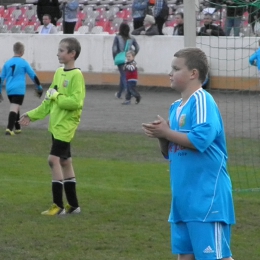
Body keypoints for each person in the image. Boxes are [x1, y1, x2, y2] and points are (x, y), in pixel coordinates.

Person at [142, 47, 235, 260]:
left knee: (216, 258)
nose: (170, 73)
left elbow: (201, 139)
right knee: (185, 258)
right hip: (183, 199)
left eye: (176, 68)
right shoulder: (176, 107)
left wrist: (167, 132)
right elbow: (171, 153)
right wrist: (162, 137)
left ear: (193, 73)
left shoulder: (202, 99)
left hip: (206, 198)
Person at [19, 37, 85, 216]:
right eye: (59, 50)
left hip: (66, 127)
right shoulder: (58, 73)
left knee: (52, 160)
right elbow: (49, 101)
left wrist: (56, 96)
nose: (58, 53)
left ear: (72, 54)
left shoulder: (76, 75)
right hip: (56, 126)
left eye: (62, 50)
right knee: (65, 161)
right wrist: (31, 115)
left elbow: (75, 103)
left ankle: (58, 206)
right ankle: (73, 205)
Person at [0, 42, 43, 136]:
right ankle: (9, 128)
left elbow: (1, 78)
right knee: (14, 107)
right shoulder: (23, 63)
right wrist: (39, 87)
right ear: (22, 52)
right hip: (19, 89)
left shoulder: (7, 63)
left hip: (9, 89)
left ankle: (18, 127)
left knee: (16, 106)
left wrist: (0, 91)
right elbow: (33, 75)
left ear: (14, 50)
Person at [112, 23, 140, 99]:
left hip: (120, 59)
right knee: (123, 76)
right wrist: (132, 56)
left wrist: (115, 58)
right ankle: (119, 94)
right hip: (128, 58)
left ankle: (128, 93)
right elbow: (137, 48)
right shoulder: (131, 38)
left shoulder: (117, 37)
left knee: (124, 76)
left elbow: (114, 50)